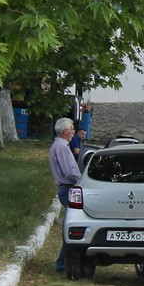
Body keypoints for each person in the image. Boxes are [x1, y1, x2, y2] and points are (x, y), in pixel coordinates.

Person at [49, 117, 82, 274]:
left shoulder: (60, 145)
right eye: (72, 129)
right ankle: (62, 264)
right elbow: (69, 172)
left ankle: (63, 262)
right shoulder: (62, 147)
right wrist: (82, 180)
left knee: (72, 225)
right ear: (65, 131)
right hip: (68, 188)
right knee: (73, 227)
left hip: (66, 188)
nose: (74, 132)